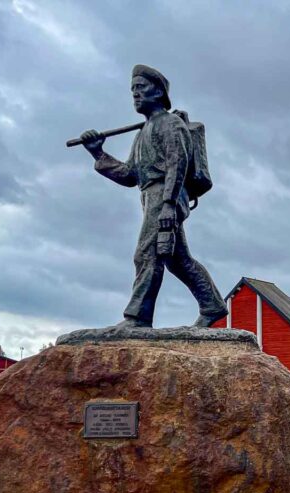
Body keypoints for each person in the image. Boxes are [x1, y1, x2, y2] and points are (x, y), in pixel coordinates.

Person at [79, 65, 227, 328]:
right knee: (177, 260)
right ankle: (212, 305)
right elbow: (128, 175)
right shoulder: (142, 134)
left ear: (158, 92)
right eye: (132, 89)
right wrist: (98, 154)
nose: (135, 94)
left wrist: (169, 204)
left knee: (147, 254)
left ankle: (137, 317)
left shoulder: (171, 125)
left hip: (166, 196)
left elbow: (177, 164)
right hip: (151, 196)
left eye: (141, 88)